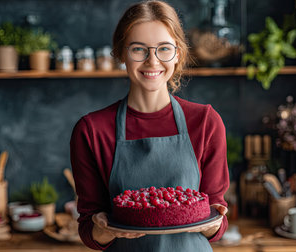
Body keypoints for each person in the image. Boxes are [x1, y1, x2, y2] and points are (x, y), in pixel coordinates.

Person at [70, 1, 229, 251]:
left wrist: (210, 223)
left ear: (178, 54)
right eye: (138, 49)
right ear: (122, 53)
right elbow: (88, 230)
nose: (152, 61)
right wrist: (101, 228)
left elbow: (217, 220)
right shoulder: (91, 130)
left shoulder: (206, 122)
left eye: (164, 49)